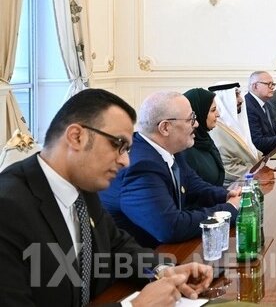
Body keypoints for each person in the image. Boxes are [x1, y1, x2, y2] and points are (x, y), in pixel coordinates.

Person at [0, 88, 214, 306]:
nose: (125, 161)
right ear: (77, 137)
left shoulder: (83, 185)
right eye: (118, 145)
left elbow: (117, 246)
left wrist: (164, 270)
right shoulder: (8, 207)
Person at [100, 91, 241, 248]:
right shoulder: (141, 167)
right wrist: (228, 210)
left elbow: (195, 186)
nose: (196, 124)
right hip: (141, 257)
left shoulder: (169, 148)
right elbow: (170, 227)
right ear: (165, 128)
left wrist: (226, 195)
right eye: (191, 119)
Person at [208, 82, 261, 187]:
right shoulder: (216, 130)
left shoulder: (234, 124)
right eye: (236, 95)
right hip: (234, 187)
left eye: (239, 94)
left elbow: (250, 151)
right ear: (224, 99)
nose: (241, 100)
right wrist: (257, 171)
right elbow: (228, 169)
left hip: (251, 179)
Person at [181, 88, 225, 187]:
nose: (218, 114)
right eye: (213, 110)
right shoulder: (186, 149)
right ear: (199, 113)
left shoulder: (205, 139)